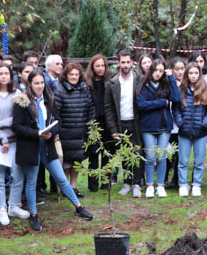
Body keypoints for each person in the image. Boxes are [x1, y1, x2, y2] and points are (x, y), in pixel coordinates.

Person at [12, 70, 94, 232]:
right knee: (31, 182)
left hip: (47, 146)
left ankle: (78, 206)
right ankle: (34, 214)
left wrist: (52, 132)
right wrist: (37, 133)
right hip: (31, 147)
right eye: (36, 83)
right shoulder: (22, 102)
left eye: (42, 83)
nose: (40, 86)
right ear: (30, 84)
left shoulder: (49, 99)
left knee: (61, 178)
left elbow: (57, 121)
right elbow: (17, 127)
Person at [0, 63, 29, 224]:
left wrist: (1, 124)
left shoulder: (16, 93)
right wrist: (2, 139)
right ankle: (1, 207)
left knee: (18, 174)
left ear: (11, 76)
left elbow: (16, 118)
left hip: (14, 140)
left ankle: (14, 205)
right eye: (0, 74)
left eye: (6, 73)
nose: (4, 76)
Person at [136, 59, 181, 197]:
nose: (158, 73)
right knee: (150, 157)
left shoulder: (166, 84)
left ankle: (160, 185)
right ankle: (150, 185)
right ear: (151, 70)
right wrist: (162, 102)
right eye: (156, 70)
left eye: (161, 71)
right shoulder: (143, 85)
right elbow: (141, 105)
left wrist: (171, 78)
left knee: (161, 156)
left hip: (164, 125)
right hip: (148, 126)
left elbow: (176, 98)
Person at [52, 61, 95, 196]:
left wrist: (90, 127)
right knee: (66, 162)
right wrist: (57, 132)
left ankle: (73, 186)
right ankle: (66, 189)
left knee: (77, 161)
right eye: (71, 74)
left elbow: (90, 109)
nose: (74, 77)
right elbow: (56, 113)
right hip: (65, 133)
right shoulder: (60, 90)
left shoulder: (84, 89)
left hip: (81, 132)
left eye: (76, 74)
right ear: (66, 75)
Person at [105, 51, 142, 197]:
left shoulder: (139, 79)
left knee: (137, 153)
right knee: (124, 153)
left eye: (128, 62)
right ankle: (127, 183)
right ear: (118, 63)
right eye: (123, 62)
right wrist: (113, 129)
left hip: (137, 123)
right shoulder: (112, 83)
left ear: (132, 62)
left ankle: (137, 183)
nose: (126, 65)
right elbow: (108, 108)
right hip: (121, 124)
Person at [175, 62, 207, 197]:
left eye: (196, 73)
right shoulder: (181, 91)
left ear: (199, 74)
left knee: (199, 161)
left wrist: (205, 123)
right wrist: (180, 123)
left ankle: (196, 184)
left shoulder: (206, 90)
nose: (193, 75)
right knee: (183, 161)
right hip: (184, 132)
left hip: (200, 132)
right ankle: (183, 184)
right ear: (187, 74)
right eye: (190, 73)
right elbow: (176, 110)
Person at [84, 54, 111, 192]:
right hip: (94, 122)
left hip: (107, 121)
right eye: (97, 66)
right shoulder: (88, 83)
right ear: (92, 67)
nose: (100, 68)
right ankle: (93, 184)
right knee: (94, 153)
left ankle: (106, 182)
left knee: (107, 152)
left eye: (102, 65)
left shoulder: (110, 81)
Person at [165, 57, 187, 190]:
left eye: (182, 69)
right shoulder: (167, 83)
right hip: (169, 124)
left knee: (180, 154)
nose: (180, 72)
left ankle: (176, 179)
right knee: (168, 154)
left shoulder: (187, 83)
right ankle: (164, 179)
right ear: (172, 70)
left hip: (181, 124)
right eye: (177, 69)